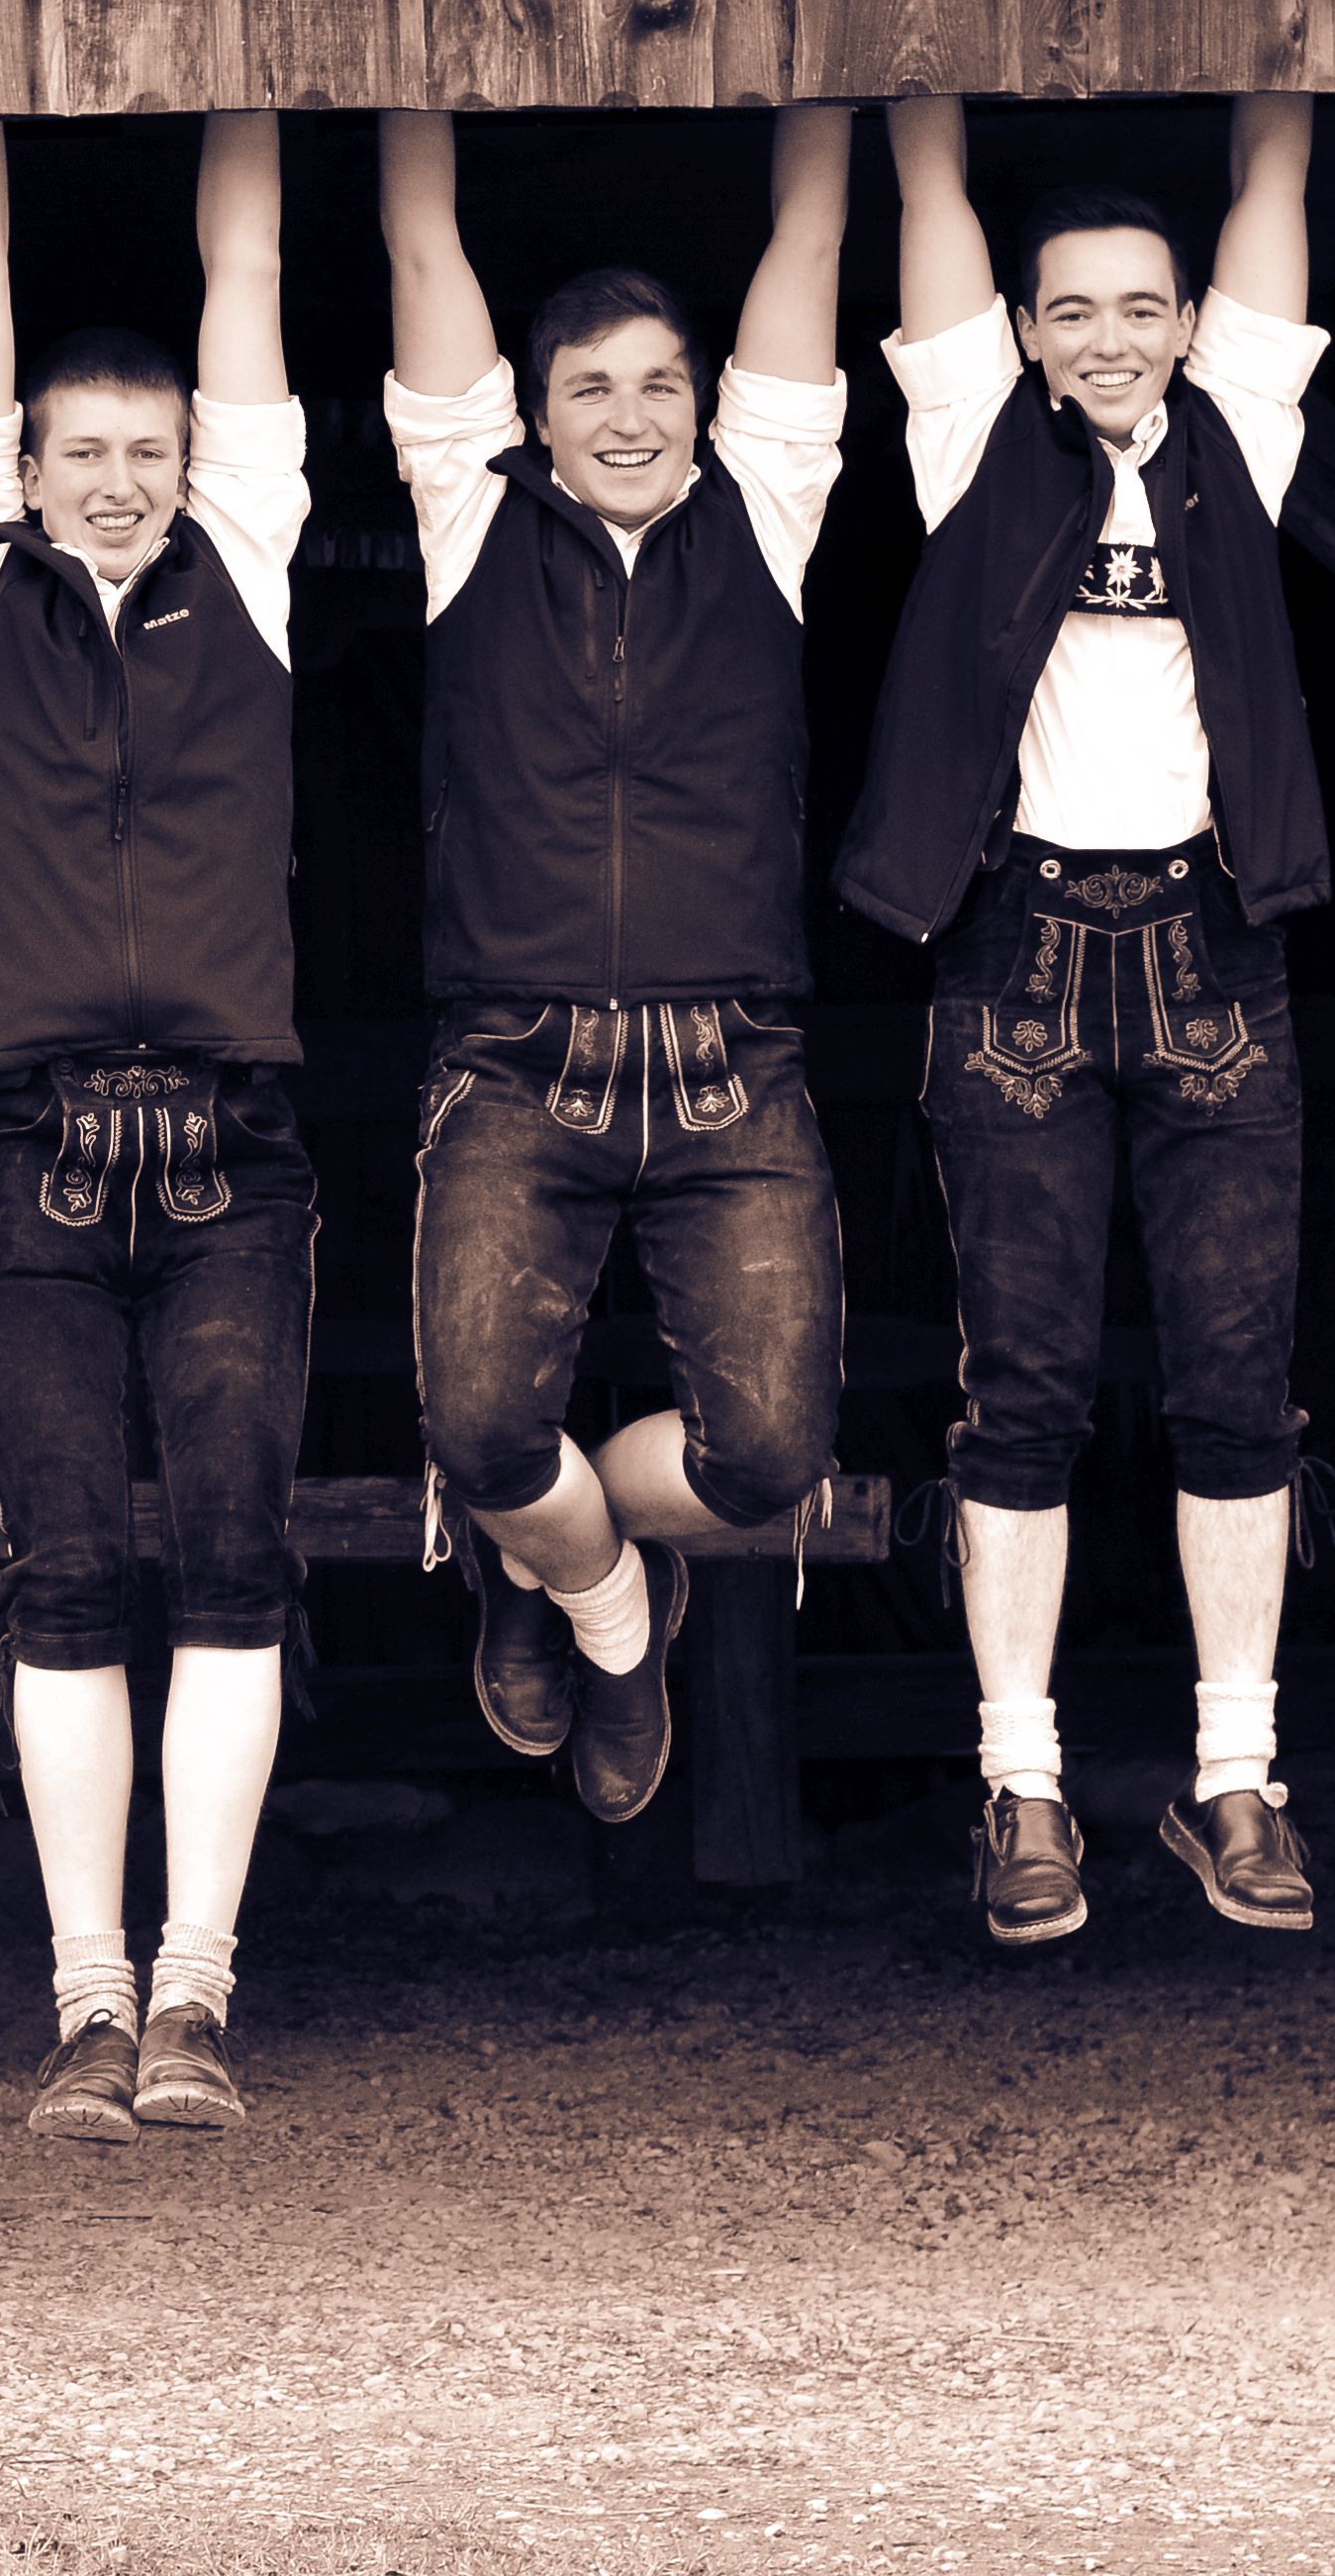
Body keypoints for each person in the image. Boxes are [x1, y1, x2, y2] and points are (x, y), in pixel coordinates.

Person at [843, 94, 1331, 1946]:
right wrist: (915, 70)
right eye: (1072, 310)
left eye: (1141, 306)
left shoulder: (1238, 436)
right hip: (1019, 954)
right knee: (1023, 1391)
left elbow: (1276, 161)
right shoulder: (972, 438)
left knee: (1234, 1383)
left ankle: (1235, 1778)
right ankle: (1022, 1787)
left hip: (1211, 948)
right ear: (1027, 334)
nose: (1109, 338)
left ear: (1190, 323)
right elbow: (926, 179)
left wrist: (1285, 30)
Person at [374, 108, 854, 1835]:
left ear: (708, 405)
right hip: (516, 1058)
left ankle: (540, 1552)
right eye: (589, 389)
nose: (629, 417)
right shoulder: (466, 514)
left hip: (734, 1063)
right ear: (531, 413)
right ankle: (598, 1603)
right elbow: (420, 244)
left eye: (659, 384)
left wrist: (835, 55)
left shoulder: (767, 511)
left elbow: (808, 242)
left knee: (770, 1459)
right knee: (481, 1434)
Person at [0, 111, 307, 2143]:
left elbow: (250, 286)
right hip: (28, 1150)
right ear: (27, 467)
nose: (122, 479)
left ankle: (195, 1994)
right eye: (84, 451)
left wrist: (248, 84)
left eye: (152, 450)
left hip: (236, 1150)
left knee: (230, 1564)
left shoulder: (249, 570)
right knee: (60, 1573)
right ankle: (87, 1997)